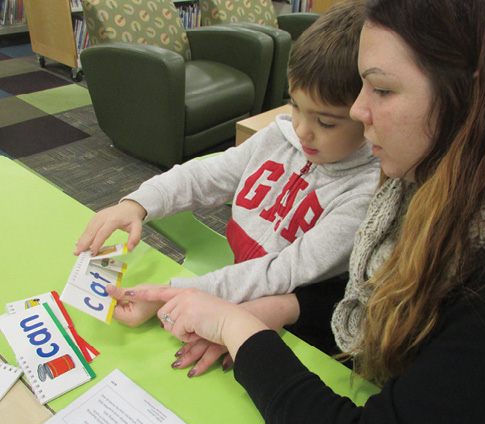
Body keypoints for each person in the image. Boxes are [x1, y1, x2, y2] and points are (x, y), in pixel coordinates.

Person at [107, 0, 485, 424]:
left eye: (382, 89)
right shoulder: (424, 181)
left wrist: (236, 326)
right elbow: (362, 303)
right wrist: (275, 309)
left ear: (475, 96)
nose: (358, 109)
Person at [74, 0, 379, 319]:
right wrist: (136, 204)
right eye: (296, 106)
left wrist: (173, 295)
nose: (302, 131)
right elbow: (202, 176)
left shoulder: (363, 193)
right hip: (233, 282)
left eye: (326, 122)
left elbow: (282, 273)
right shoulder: (279, 137)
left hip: (283, 316)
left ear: (367, 115)